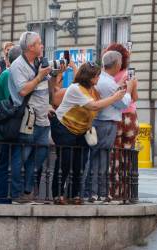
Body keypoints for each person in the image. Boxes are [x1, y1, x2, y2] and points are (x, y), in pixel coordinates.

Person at [51, 62, 126, 205]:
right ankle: (58, 194)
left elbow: (98, 102)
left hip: (81, 130)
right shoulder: (75, 89)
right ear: (89, 77)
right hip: (64, 127)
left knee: (80, 164)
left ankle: (75, 195)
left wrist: (120, 86)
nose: (98, 78)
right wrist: (115, 97)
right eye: (96, 75)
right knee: (64, 163)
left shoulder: (93, 90)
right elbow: (94, 105)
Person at [8, 31, 61, 204]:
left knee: (39, 155)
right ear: (31, 47)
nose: (42, 46)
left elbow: (49, 90)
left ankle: (27, 191)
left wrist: (54, 75)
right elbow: (23, 90)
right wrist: (39, 76)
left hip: (43, 119)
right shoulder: (18, 66)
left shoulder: (40, 62)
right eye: (39, 43)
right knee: (21, 156)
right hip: (27, 119)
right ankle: (16, 194)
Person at [85, 51, 133, 202]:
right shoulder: (108, 82)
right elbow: (123, 103)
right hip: (106, 124)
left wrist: (119, 88)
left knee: (95, 158)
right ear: (117, 64)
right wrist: (129, 89)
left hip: (98, 122)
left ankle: (94, 191)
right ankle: (98, 192)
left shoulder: (103, 80)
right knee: (102, 159)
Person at [103, 43, 139, 198]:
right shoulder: (129, 75)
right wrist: (130, 85)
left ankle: (113, 193)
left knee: (114, 157)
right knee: (128, 156)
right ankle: (127, 193)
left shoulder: (107, 75)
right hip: (131, 117)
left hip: (116, 117)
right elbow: (135, 98)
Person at [0, 45, 22, 201]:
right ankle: (2, 196)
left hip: (9, 125)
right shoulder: (7, 75)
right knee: (4, 163)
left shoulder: (11, 74)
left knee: (9, 162)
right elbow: (12, 102)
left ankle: (9, 194)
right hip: (4, 126)